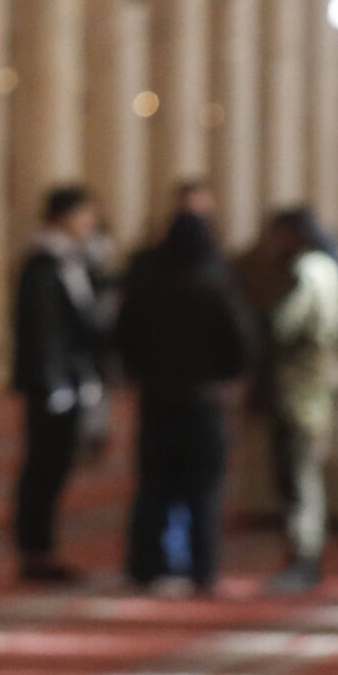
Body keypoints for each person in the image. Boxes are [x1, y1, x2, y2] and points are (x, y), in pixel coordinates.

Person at [114, 212, 249, 593]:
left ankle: (145, 566)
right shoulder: (215, 290)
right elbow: (239, 349)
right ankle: (202, 569)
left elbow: (122, 338)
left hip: (156, 400)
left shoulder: (145, 289)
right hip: (203, 403)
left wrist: (142, 372)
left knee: (153, 487)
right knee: (203, 491)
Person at [243, 207, 338, 593]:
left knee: (298, 477)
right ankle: (303, 555)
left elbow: (284, 324)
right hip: (306, 389)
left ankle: (304, 557)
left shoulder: (308, 270)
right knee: (297, 476)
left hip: (297, 390)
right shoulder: (328, 266)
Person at [10, 184, 109, 583]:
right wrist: (54, 384)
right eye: (85, 216)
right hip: (54, 385)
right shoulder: (44, 263)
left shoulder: (70, 260)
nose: (90, 225)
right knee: (43, 468)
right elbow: (44, 332)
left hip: (66, 380)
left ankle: (42, 548)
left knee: (55, 467)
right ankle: (37, 551)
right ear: (65, 217)